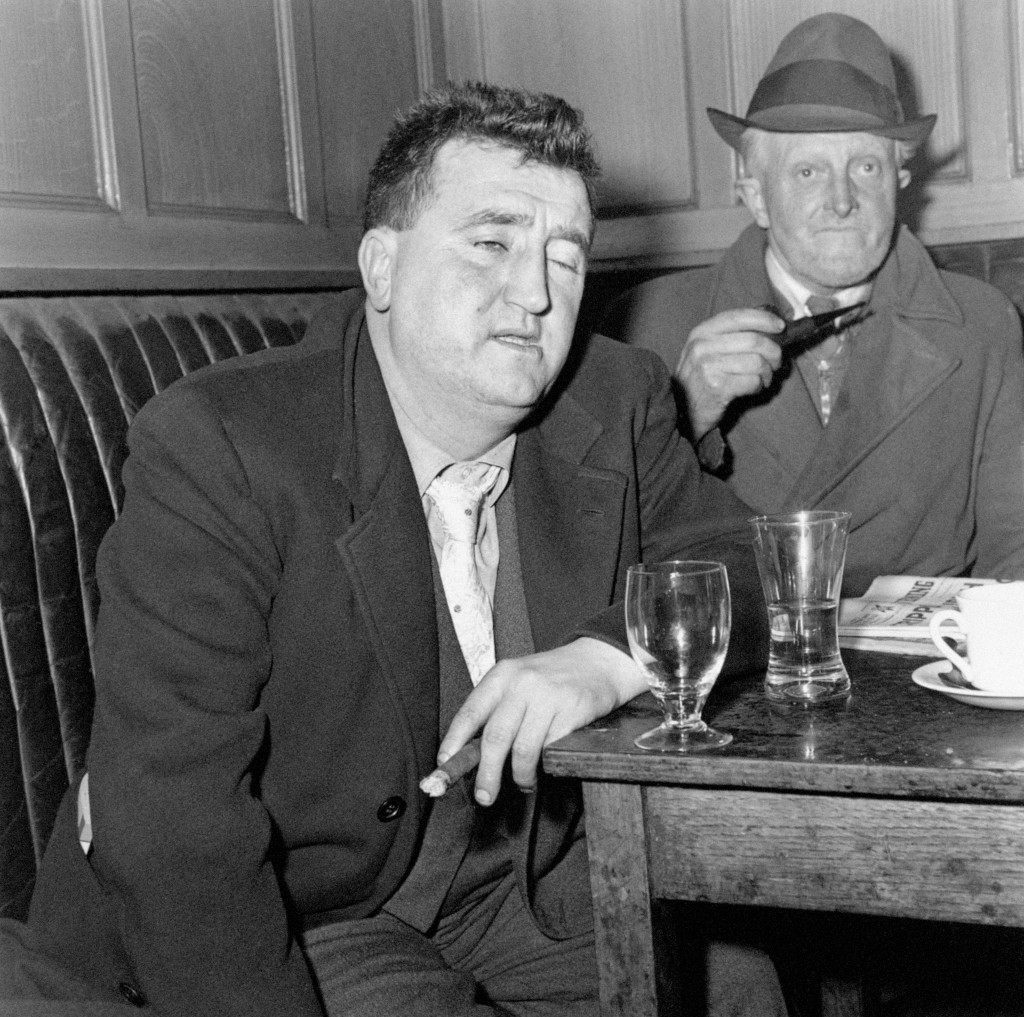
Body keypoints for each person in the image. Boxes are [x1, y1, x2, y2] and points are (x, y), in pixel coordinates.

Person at [5, 82, 786, 1017]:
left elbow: (747, 569)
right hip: (304, 908)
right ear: (381, 267)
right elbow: (170, 817)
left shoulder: (615, 398)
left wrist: (606, 655)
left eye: (565, 256)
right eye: (492, 243)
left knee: (733, 980)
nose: (536, 294)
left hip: (522, 880)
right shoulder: (223, 444)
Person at [602, 12, 1024, 596]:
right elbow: (606, 551)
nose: (842, 199)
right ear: (756, 196)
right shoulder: (649, 324)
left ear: (901, 181)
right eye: (808, 171)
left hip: (921, 675)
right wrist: (686, 413)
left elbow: (1017, 551)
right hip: (735, 669)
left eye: (866, 166)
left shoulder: (982, 326)